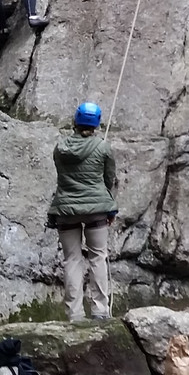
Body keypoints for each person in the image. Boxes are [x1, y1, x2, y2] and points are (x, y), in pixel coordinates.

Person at [48, 102, 117, 322]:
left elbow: (62, 176)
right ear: (97, 123)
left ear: (75, 120)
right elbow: (109, 180)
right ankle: (100, 310)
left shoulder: (60, 148)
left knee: (72, 260)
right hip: (97, 209)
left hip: (66, 209)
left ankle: (74, 314)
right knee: (98, 256)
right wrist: (108, 206)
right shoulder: (103, 147)